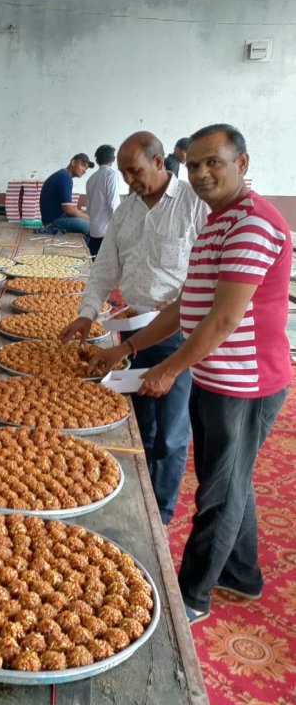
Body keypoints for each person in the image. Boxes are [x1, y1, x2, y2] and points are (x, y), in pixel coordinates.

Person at [87, 125, 292, 623]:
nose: (201, 173)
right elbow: (188, 303)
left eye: (213, 163)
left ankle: (193, 596)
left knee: (219, 490)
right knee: (230, 477)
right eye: (195, 163)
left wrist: (169, 367)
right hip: (216, 373)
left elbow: (222, 318)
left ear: (241, 164)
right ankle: (241, 573)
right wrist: (131, 348)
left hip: (245, 382)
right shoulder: (220, 221)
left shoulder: (251, 224)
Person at [61, 131, 208, 525]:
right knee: (139, 416)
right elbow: (105, 266)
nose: (129, 180)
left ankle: (158, 513)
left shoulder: (195, 206)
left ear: (159, 162)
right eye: (124, 173)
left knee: (172, 433)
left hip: (177, 333)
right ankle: (138, 495)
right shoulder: (126, 210)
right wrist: (87, 313)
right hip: (131, 330)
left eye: (136, 171)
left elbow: (207, 280)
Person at [39, 153, 93, 237]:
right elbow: (68, 209)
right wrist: (88, 217)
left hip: (56, 218)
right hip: (53, 222)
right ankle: (91, 250)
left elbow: (69, 208)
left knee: (85, 219)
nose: (84, 170)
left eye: (86, 168)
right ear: (73, 162)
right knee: (92, 227)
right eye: (83, 165)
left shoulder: (63, 176)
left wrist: (84, 214)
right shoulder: (64, 178)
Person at [84, 144, 121, 257]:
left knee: (94, 264)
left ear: (97, 160)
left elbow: (89, 209)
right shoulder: (111, 176)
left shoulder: (91, 179)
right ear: (113, 159)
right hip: (107, 233)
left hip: (94, 231)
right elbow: (114, 205)